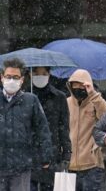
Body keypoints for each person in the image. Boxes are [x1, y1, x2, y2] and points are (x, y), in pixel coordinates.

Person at [0, 58, 53, 191]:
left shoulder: (31, 101)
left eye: (16, 77)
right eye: (8, 76)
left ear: (22, 80)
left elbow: (42, 129)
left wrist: (45, 156)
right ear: (2, 77)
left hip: (22, 165)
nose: (11, 80)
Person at [66, 69, 106, 191]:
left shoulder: (96, 101)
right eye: (75, 85)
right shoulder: (66, 103)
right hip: (69, 165)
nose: (79, 88)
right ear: (70, 86)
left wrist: (94, 95)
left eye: (82, 85)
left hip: (92, 165)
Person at [29, 67, 71, 191]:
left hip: (52, 153)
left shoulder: (59, 97)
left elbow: (64, 127)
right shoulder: (25, 96)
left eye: (44, 73)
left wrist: (67, 155)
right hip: (28, 154)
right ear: (30, 75)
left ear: (49, 74)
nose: (40, 76)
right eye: (36, 73)